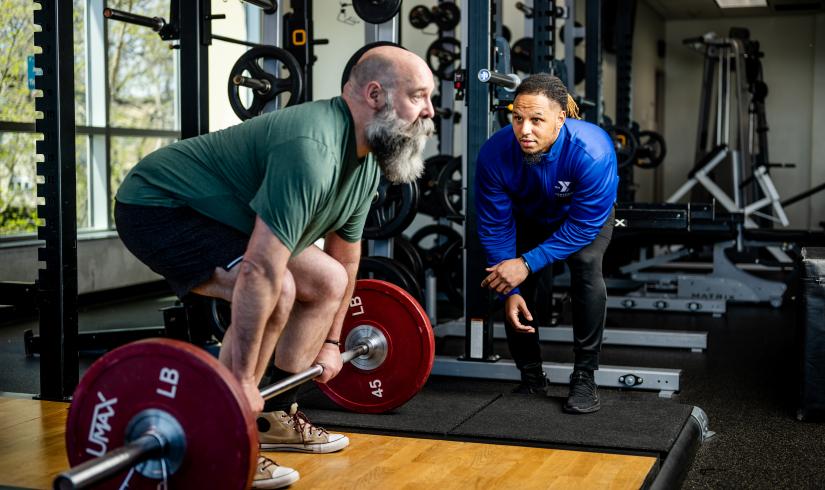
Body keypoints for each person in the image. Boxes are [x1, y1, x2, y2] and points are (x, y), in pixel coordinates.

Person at [114, 45, 435, 488]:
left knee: (328, 281)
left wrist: (331, 341)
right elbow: (261, 273)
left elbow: (346, 257)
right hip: (160, 206)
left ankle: (276, 416)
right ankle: (227, 434)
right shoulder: (313, 147)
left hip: (228, 213)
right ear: (375, 95)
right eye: (419, 96)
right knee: (279, 288)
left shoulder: (367, 161)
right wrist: (245, 381)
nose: (429, 111)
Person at [475, 73, 618, 415]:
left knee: (585, 265)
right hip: (529, 216)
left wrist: (525, 263)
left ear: (560, 119)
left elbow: (583, 226)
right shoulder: (495, 153)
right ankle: (531, 375)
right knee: (511, 278)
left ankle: (584, 375)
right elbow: (495, 227)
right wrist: (509, 288)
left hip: (582, 221)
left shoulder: (592, 151)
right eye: (518, 118)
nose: (525, 130)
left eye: (537, 120)